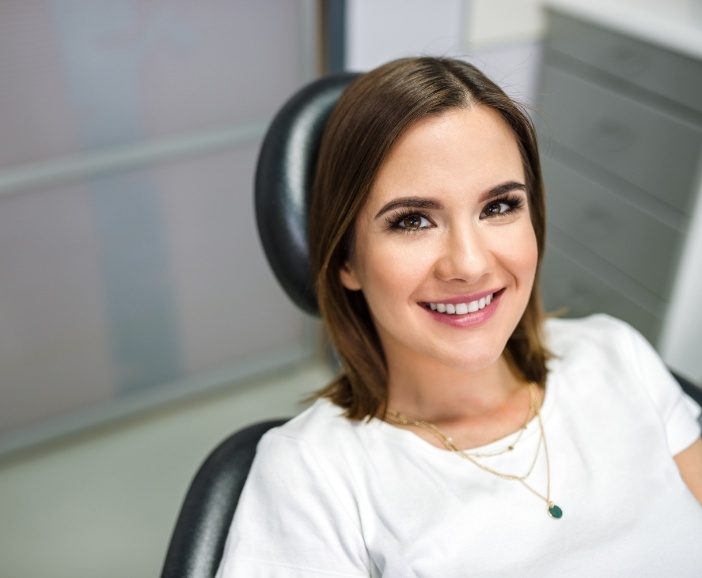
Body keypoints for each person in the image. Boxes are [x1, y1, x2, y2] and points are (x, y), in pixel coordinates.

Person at [215, 57, 702, 577]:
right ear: (346, 259)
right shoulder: (309, 474)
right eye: (413, 221)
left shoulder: (618, 355)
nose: (469, 265)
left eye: (498, 207)